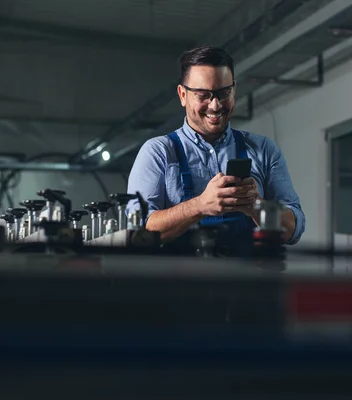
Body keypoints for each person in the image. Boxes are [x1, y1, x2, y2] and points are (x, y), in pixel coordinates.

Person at [126, 46, 305, 254]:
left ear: (234, 90)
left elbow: (294, 229)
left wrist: (256, 207)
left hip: (248, 283)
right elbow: (137, 234)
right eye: (203, 95)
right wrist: (199, 206)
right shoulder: (158, 153)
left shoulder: (263, 150)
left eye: (223, 93)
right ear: (183, 95)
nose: (215, 105)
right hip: (181, 285)